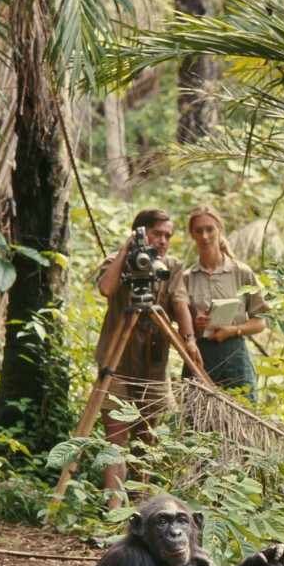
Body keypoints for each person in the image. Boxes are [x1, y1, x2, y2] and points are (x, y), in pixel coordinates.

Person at [95, 208, 201, 508]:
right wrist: (126, 250)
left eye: (168, 235)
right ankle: (115, 512)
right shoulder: (118, 262)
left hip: (154, 366)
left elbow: (180, 301)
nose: (164, 240)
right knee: (116, 442)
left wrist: (189, 338)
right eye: (157, 234)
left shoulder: (172, 266)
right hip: (116, 364)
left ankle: (140, 507)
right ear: (140, 232)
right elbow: (106, 287)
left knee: (145, 441)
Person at [182, 204, 270, 404]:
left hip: (235, 353)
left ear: (220, 230)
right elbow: (181, 325)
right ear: (192, 235)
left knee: (243, 416)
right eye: (199, 231)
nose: (205, 236)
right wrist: (196, 325)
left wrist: (233, 330)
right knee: (197, 420)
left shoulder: (241, 272)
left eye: (210, 229)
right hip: (201, 355)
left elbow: (261, 321)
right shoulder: (187, 278)